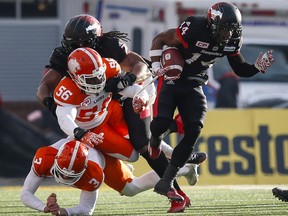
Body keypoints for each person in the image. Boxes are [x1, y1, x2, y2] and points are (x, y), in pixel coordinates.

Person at [37, 14, 205, 212]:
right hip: (98, 106)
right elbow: (44, 87)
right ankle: (183, 163)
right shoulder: (64, 56)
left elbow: (142, 66)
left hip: (127, 95)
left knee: (142, 144)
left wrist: (127, 80)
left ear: (94, 41)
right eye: (70, 44)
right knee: (133, 152)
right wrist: (53, 105)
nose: (73, 50)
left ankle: (176, 194)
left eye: (78, 44)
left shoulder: (110, 50)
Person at [148, 2, 275, 200]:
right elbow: (160, 39)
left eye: (232, 29)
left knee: (194, 127)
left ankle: (166, 181)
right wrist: (156, 66)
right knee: (161, 123)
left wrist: (256, 67)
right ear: (212, 24)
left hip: (194, 84)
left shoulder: (232, 40)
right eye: (224, 28)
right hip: (173, 79)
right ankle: (155, 141)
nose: (228, 34)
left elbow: (239, 68)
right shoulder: (194, 28)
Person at [20, 138, 198, 216]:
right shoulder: (45, 157)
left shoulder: (94, 171)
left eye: (71, 176)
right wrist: (44, 208)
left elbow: (86, 209)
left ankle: (184, 168)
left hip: (103, 155)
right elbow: (25, 194)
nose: (66, 180)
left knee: (131, 189)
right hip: (85, 147)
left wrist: (65, 212)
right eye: (63, 175)